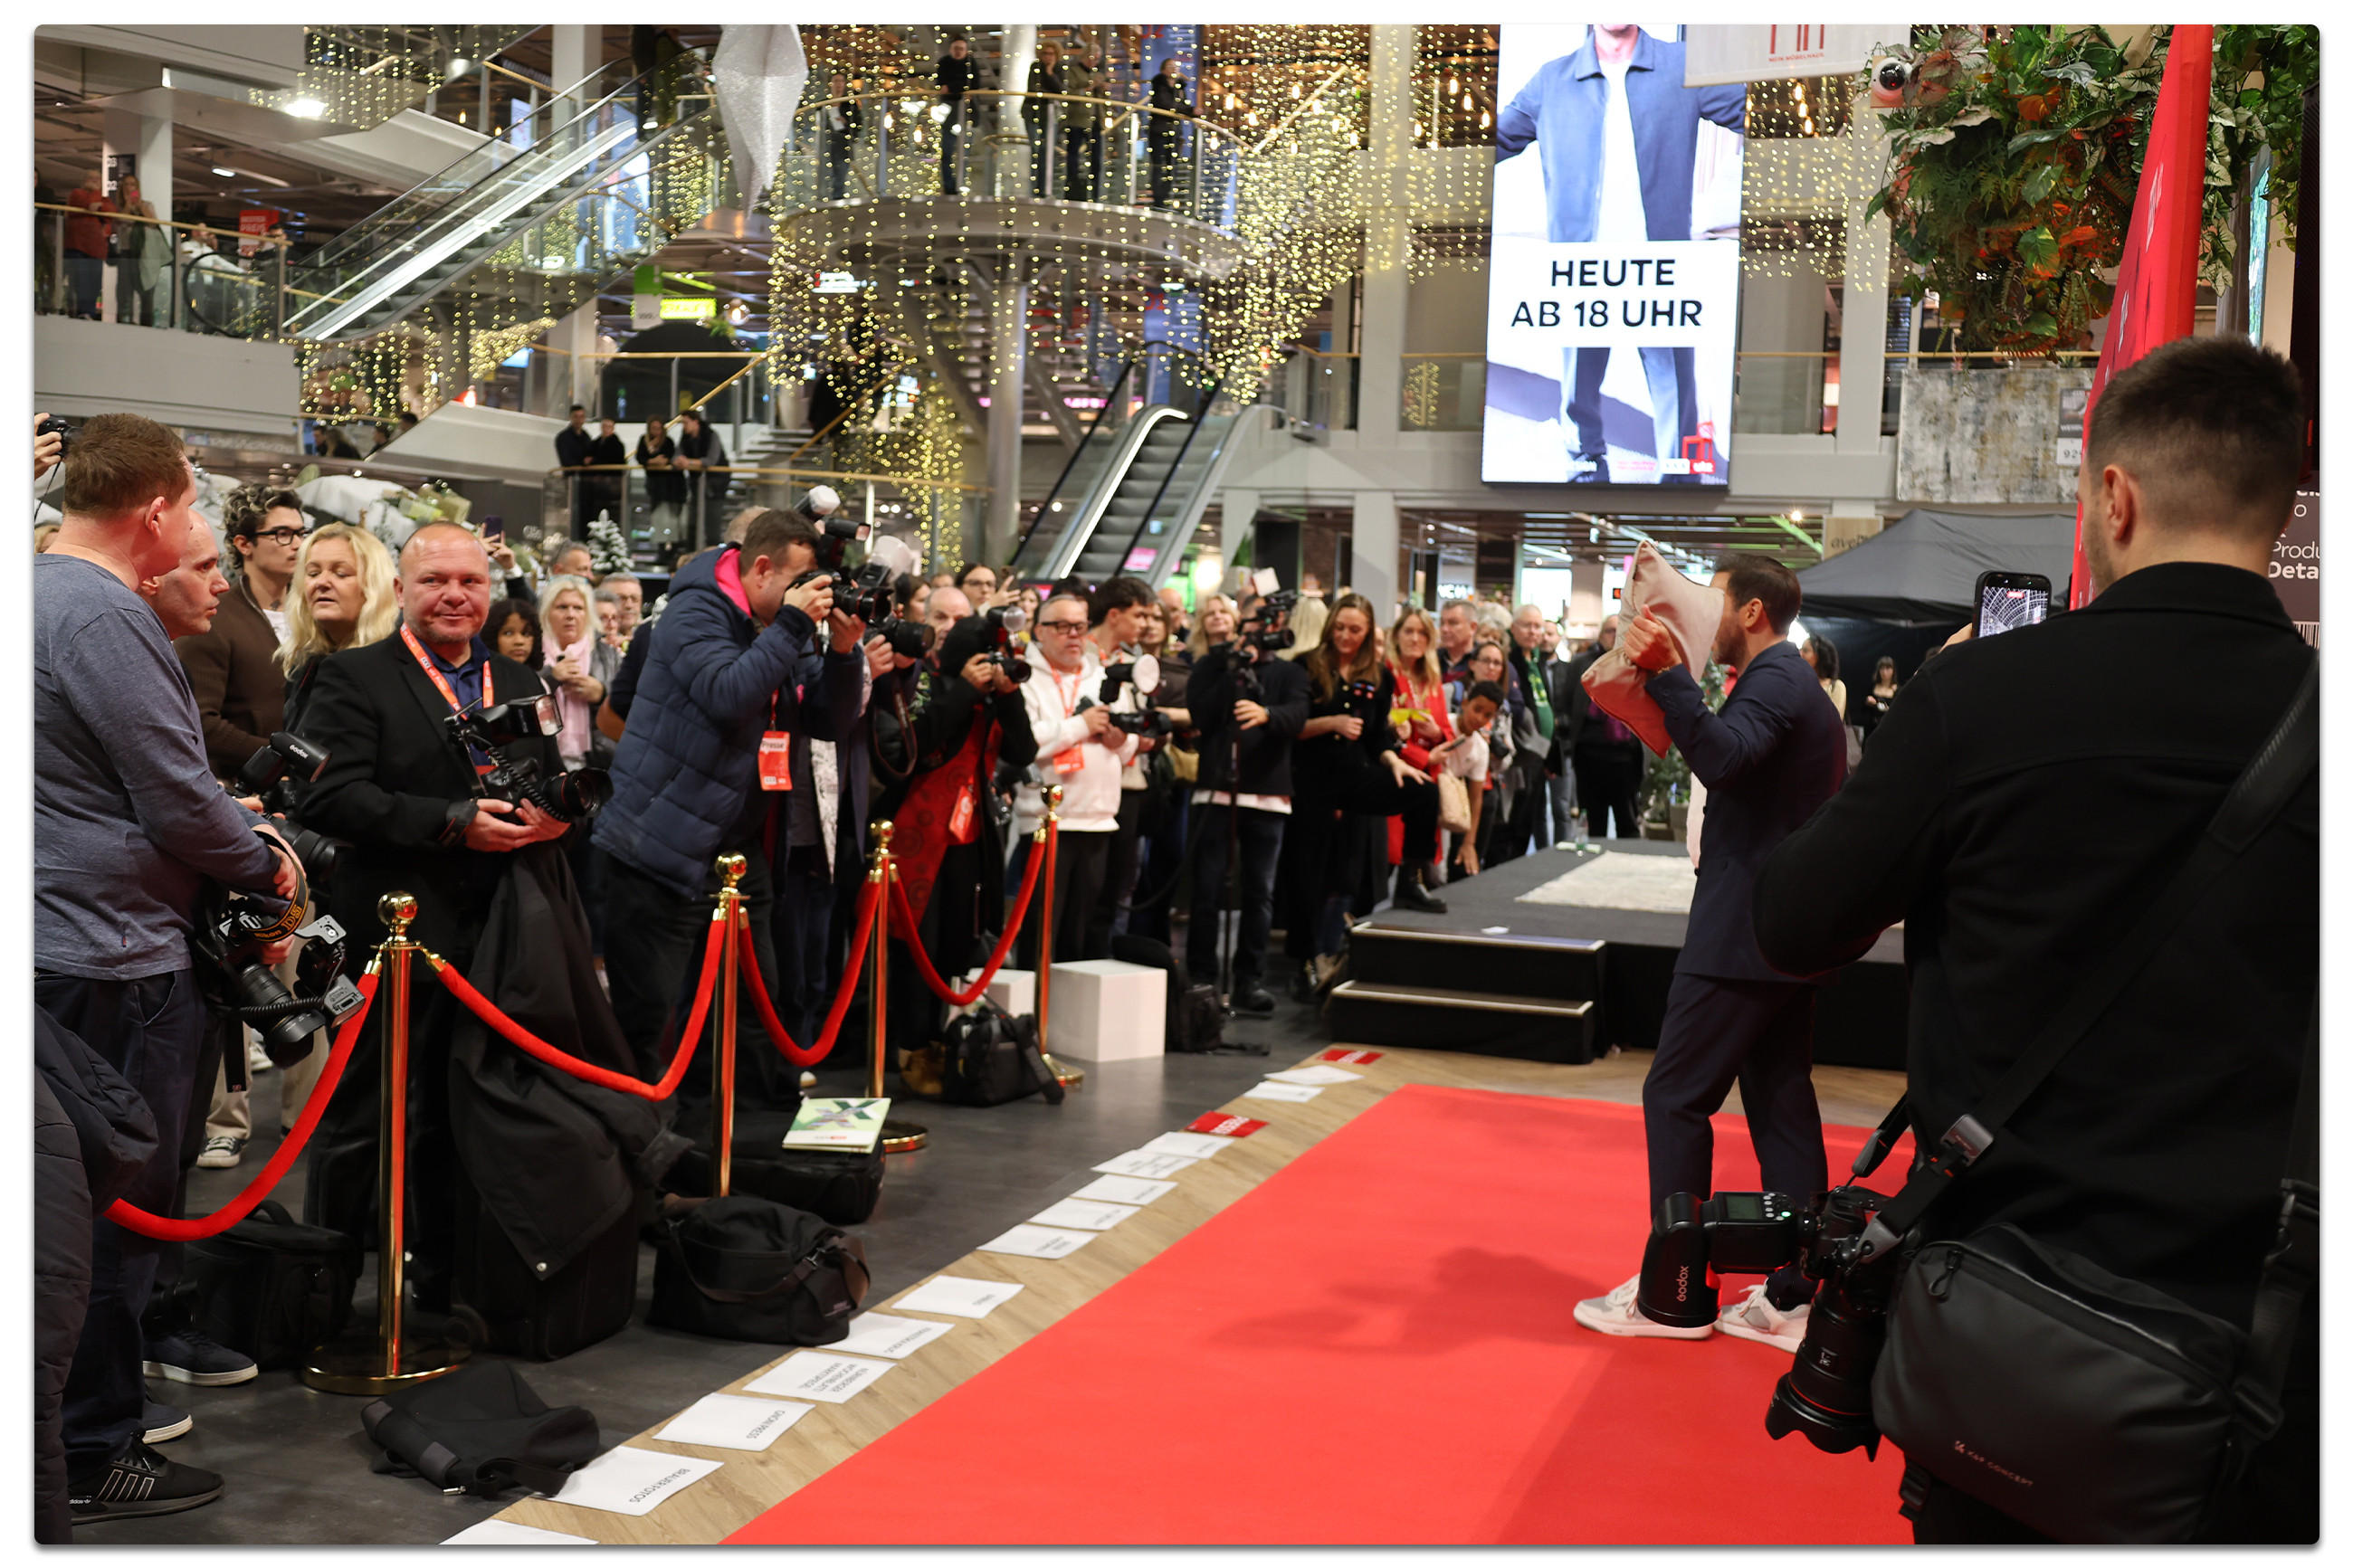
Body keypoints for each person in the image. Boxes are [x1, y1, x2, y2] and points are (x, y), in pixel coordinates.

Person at [1754, 337, 2319, 1544]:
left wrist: (1925, 728)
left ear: (2113, 496)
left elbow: (1793, 924)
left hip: (2010, 1326)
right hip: (2266, 1358)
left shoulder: (1980, 699)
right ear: (2279, 509)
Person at [37, 413, 298, 1522]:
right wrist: (269, 859)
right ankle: (97, 1444)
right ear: (153, 510)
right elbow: (178, 799)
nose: (198, 528)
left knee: (71, 1207)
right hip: (117, 958)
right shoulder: (99, 611)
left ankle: (77, 1434)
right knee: (118, 1216)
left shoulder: (36, 589)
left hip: (67, 941)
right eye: (191, 503)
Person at [293, 524, 574, 1316]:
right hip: (392, 933)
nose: (455, 595)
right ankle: (324, 1292)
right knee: (362, 1113)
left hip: (497, 938)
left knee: (465, 1114)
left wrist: (555, 817)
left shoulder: (517, 676)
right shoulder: (351, 676)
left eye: (470, 581)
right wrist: (452, 821)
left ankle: (443, 1281)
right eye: (435, 581)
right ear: (401, 591)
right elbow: (327, 796)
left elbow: (548, 777)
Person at [1572, 554, 1846, 1345]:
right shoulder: (1789, 681)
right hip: (1778, 927)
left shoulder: (1777, 678)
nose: (1699, 612)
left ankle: (1675, 1291)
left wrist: (1666, 675)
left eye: (1713, 599)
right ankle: (1796, 1294)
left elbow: (1722, 759)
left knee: (1676, 1096)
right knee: (1780, 1101)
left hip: (1742, 931)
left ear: (1752, 611)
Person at [591, 508, 864, 1102]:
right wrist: (794, 623)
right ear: (762, 568)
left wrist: (844, 652)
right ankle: (640, 1144)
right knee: (649, 1016)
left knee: (752, 1002)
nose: (810, 596)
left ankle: (732, 1131)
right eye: (799, 582)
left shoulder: (780, 620)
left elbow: (826, 720)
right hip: (658, 846)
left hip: (736, 848)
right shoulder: (694, 608)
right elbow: (728, 694)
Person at [1494, 25, 1745, 484]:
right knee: (1578, 383)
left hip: (1661, 267)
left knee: (1674, 386)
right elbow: (1489, 143)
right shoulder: (1552, 80)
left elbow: (1762, 115)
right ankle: (1584, 473)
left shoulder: (1681, 65)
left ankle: (1678, 481)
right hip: (1583, 269)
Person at [874, 613, 1036, 1067]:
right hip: (916, 834)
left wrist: (1009, 695)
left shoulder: (994, 699)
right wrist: (964, 689)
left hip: (970, 837)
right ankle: (908, 1047)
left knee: (955, 943)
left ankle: (939, 1041)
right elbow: (916, 746)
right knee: (914, 945)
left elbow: (1024, 751)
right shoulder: (927, 685)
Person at [1281, 594, 1444, 995]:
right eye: (1339, 628)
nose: (1345, 636)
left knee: (1423, 792)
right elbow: (1290, 726)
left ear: (1369, 632)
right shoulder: (1305, 666)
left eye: (1355, 630)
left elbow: (1375, 738)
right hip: (1312, 780)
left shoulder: (1378, 674)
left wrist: (1395, 762)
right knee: (1309, 874)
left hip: (1356, 774)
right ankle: (1303, 961)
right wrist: (1331, 722)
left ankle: (1410, 880)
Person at [1184, 596, 1309, 1011]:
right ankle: (1201, 978)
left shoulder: (1290, 672)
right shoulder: (1212, 666)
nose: (1262, 630)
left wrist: (1267, 714)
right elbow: (1201, 715)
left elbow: (1298, 716)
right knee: (1206, 889)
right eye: (1255, 622)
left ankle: (1248, 980)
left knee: (1259, 893)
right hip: (1216, 792)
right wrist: (1232, 670)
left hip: (1269, 796)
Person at [1013, 587, 1140, 968]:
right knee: (1040, 932)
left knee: (1082, 936)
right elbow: (1024, 742)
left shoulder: (1103, 676)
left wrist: (1120, 739)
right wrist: (1080, 726)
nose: (1073, 635)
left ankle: (1072, 1006)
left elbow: (1130, 743)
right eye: (1063, 626)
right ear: (1039, 631)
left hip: (1099, 819)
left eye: (1080, 627)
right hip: (1044, 821)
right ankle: (1034, 1002)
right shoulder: (1025, 677)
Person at [176, 484, 302, 782]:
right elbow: (201, 722)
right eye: (283, 534)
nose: (297, 544)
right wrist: (285, 758)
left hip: (308, 785)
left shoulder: (314, 615)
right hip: (245, 786)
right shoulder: (213, 618)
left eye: (301, 533)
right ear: (244, 544)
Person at [279, 523, 400, 733]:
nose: (322, 582)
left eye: (341, 574)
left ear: (373, 586)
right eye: (313, 573)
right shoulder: (305, 663)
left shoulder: (393, 669)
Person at [1564, 615, 1644, 839]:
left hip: (1625, 758)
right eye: (1610, 630)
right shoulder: (1580, 664)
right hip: (1589, 756)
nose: (1615, 635)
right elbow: (1567, 702)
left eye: (1620, 630)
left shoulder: (1639, 664)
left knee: (1627, 823)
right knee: (1594, 825)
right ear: (1600, 635)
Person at [1497, 603, 1560, 864]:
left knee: (1529, 818)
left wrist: (1551, 755)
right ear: (1513, 628)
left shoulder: (1536, 661)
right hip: (1519, 753)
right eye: (1527, 625)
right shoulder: (1508, 661)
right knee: (1513, 819)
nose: (1533, 631)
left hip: (1538, 754)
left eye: (1538, 626)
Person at [540, 575, 619, 769]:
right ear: (547, 612)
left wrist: (602, 694)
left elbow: (630, 704)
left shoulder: (608, 655)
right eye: (562, 607)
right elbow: (518, 697)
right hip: (543, 759)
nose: (571, 614)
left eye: (578, 608)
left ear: (588, 614)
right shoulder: (532, 650)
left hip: (597, 760)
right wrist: (550, 678)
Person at [1439, 679, 1507, 878]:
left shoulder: (1481, 749)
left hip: (1450, 804)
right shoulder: (1443, 724)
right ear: (1465, 703)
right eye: (1477, 709)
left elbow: (1475, 798)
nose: (1479, 718)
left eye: (1487, 715)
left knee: (1443, 869)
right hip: (1429, 796)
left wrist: (1469, 843)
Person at [112, 176, 168, 328]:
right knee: (125, 288)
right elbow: (120, 223)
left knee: (147, 288)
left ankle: (146, 324)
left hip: (145, 253)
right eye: (127, 185)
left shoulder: (147, 205)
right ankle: (124, 320)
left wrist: (141, 207)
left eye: (133, 185)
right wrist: (128, 205)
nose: (130, 187)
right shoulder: (119, 207)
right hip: (126, 252)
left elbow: (153, 224)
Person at [63, 166, 115, 319]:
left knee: (95, 284)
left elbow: (112, 212)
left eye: (97, 179)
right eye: (91, 178)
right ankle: (81, 312)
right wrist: (97, 197)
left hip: (97, 250)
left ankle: (89, 312)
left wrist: (99, 204)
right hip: (78, 246)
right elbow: (87, 204)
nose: (94, 181)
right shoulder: (76, 193)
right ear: (84, 181)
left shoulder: (103, 199)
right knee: (81, 281)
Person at [674, 408, 731, 546]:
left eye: (686, 423)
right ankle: (692, 550)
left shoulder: (711, 436)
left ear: (696, 422)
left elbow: (711, 460)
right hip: (697, 485)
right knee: (693, 522)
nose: (684, 426)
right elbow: (677, 455)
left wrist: (689, 462)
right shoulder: (685, 438)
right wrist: (679, 461)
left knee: (712, 523)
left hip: (715, 485)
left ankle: (712, 551)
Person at [1147, 57, 1195, 210]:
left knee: (1172, 166)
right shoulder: (1159, 85)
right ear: (1163, 70)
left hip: (1174, 132)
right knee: (1158, 165)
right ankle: (1158, 199)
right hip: (1159, 131)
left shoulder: (1179, 88)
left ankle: (1164, 197)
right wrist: (1190, 110)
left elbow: (1182, 105)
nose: (1174, 69)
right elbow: (1166, 104)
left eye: (1176, 66)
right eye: (1170, 66)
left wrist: (1189, 110)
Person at [1062, 40, 1106, 201]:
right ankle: (1073, 190)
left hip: (1095, 121)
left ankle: (1095, 194)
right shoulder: (1073, 72)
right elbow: (1068, 94)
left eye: (1098, 59)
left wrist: (1103, 89)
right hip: (1077, 120)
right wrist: (1088, 88)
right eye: (1094, 58)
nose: (1095, 62)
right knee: (1073, 157)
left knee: (1096, 160)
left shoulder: (1097, 74)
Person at [938, 35, 979, 195]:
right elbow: (941, 85)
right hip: (950, 111)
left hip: (965, 112)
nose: (958, 52)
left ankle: (960, 184)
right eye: (956, 48)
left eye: (961, 49)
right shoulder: (944, 63)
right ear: (951, 49)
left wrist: (951, 87)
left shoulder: (971, 63)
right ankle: (949, 186)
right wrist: (960, 87)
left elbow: (974, 85)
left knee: (964, 151)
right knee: (947, 151)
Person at [1024, 41, 1064, 197]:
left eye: (1051, 54)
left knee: (1046, 150)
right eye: (1045, 54)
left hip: (1050, 114)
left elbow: (1061, 90)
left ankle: (1044, 188)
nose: (1048, 57)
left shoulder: (1059, 69)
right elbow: (1034, 88)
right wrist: (1050, 91)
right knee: (1036, 149)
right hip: (1033, 112)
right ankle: (1035, 187)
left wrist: (1049, 73)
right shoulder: (1035, 67)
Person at [637, 416, 685, 539]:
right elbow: (641, 458)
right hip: (654, 485)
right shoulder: (644, 440)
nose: (656, 431)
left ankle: (671, 542)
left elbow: (666, 459)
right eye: (653, 428)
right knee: (657, 514)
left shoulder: (668, 442)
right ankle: (659, 540)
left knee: (670, 515)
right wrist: (653, 461)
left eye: (658, 428)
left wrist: (653, 461)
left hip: (669, 486)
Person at [818, 71, 862, 201]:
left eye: (841, 81)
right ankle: (824, 200)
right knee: (825, 176)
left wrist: (846, 123)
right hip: (826, 145)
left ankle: (837, 200)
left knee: (840, 177)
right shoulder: (823, 104)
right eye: (836, 81)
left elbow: (858, 125)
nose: (839, 84)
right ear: (830, 84)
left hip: (843, 146)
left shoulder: (849, 104)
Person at [554, 404, 596, 530]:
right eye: (576, 417)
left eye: (581, 417)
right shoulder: (563, 437)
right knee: (573, 514)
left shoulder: (586, 437)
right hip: (572, 483)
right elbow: (566, 461)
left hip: (586, 483)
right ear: (571, 418)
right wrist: (583, 462)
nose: (579, 420)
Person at [584, 416, 629, 529]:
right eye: (604, 426)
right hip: (596, 486)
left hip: (611, 485)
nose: (606, 429)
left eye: (609, 427)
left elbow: (613, 460)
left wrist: (594, 461)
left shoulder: (617, 445)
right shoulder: (595, 443)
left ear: (613, 428)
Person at [491, 595, 543, 669]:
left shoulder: (543, 675)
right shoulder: (481, 674)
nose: (519, 641)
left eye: (526, 634)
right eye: (508, 633)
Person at [1436, 597, 1479, 684]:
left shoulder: (1484, 661)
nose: (1444, 629)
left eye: (1453, 623)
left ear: (1472, 627)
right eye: (1442, 623)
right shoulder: (1432, 659)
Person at [1858, 654, 1900, 742]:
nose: (1884, 672)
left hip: (1888, 731)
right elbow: (1862, 710)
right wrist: (1867, 702)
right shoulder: (1872, 687)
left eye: (1888, 668)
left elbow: (1899, 713)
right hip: (1871, 730)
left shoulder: (1898, 690)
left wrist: (1882, 707)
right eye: (1882, 668)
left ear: (1893, 671)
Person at [605, 570, 644, 643]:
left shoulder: (650, 638)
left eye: (634, 598)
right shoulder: (590, 642)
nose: (629, 605)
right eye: (621, 598)